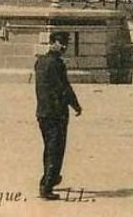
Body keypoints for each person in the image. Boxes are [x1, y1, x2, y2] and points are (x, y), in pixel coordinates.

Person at [34, 31, 82, 200]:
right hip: (56, 113)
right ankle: (47, 186)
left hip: (42, 111)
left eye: (65, 44)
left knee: (49, 147)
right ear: (52, 43)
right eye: (61, 43)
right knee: (56, 149)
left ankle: (51, 177)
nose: (64, 47)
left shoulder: (40, 62)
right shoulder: (56, 64)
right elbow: (64, 88)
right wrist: (75, 105)